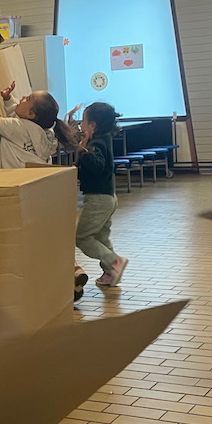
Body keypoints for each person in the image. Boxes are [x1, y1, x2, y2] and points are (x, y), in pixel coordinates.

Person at [0, 69, 73, 169]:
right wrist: (8, 99)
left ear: (31, 114)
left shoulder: (18, 128)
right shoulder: (45, 133)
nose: (23, 97)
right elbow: (18, 119)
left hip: (13, 178)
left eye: (28, 99)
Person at [75, 102, 128, 290]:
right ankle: (110, 272)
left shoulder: (95, 144)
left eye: (83, 121)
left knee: (81, 237)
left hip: (98, 199)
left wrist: (83, 148)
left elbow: (97, 165)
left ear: (93, 125)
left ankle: (114, 262)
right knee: (101, 238)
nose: (81, 125)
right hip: (108, 197)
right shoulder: (104, 139)